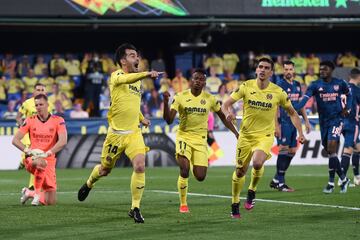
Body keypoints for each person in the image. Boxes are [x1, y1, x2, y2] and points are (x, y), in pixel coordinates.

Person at [77, 43, 161, 224]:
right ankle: (89, 183)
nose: (136, 58)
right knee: (105, 169)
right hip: (116, 134)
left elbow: (131, 104)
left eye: (137, 55)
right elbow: (125, 82)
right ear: (123, 60)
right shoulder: (116, 76)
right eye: (132, 55)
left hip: (134, 134)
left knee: (139, 166)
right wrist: (147, 74)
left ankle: (135, 207)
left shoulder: (137, 81)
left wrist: (141, 118)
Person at [222, 58, 306, 218]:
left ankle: (252, 190)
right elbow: (225, 105)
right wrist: (228, 114)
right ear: (256, 70)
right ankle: (234, 202)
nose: (262, 69)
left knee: (258, 162)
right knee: (240, 172)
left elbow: (293, 113)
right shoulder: (246, 86)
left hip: (265, 136)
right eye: (260, 67)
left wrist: (301, 133)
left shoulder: (277, 92)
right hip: (245, 136)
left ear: (271, 72)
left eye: (266, 68)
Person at [163, 68, 239, 213]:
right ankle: (183, 204)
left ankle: (192, 160)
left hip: (200, 140)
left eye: (201, 79)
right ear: (191, 80)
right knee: (184, 170)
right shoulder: (180, 97)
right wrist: (165, 101)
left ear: (205, 82)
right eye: (195, 78)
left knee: (200, 176)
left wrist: (236, 132)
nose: (198, 81)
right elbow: (168, 120)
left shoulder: (210, 99)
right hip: (184, 137)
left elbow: (223, 117)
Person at [294, 61, 353, 194]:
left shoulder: (340, 83)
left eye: (325, 69)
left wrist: (347, 108)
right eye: (320, 69)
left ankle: (331, 183)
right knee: (329, 152)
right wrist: (294, 108)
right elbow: (305, 99)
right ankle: (343, 179)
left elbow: (349, 94)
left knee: (332, 148)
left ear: (331, 70)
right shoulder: (315, 85)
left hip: (337, 119)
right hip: (324, 122)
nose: (321, 71)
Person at [12, 94, 67, 206]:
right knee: (41, 162)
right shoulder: (30, 120)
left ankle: (29, 193)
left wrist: (48, 153)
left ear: (47, 105)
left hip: (49, 160)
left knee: (50, 201)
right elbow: (15, 140)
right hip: (32, 159)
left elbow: (63, 141)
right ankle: (37, 194)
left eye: (41, 104)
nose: (38, 107)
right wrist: (29, 151)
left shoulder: (58, 120)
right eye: (36, 105)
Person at [270, 61, 311, 192]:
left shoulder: (298, 85)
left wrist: (306, 121)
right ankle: (281, 183)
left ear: (294, 70)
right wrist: (276, 125)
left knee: (292, 151)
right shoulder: (279, 86)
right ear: (283, 71)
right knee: (283, 149)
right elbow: (274, 107)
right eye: (286, 69)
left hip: (294, 123)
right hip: (283, 123)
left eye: (290, 69)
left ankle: (277, 179)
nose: (288, 71)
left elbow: (301, 105)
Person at [16, 83, 55, 189]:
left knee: (35, 159)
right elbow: (18, 116)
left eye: (43, 90)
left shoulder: (49, 104)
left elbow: (51, 119)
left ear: (46, 92)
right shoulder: (27, 103)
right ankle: (24, 160)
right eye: (38, 89)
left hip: (40, 135)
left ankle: (32, 185)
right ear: (34, 92)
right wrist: (21, 125)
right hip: (28, 133)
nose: (41, 91)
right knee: (33, 156)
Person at [339, 68, 360, 186]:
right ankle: (342, 179)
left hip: (342, 122)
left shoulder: (343, 89)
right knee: (348, 149)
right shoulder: (357, 90)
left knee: (358, 148)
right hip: (352, 123)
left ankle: (357, 177)